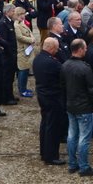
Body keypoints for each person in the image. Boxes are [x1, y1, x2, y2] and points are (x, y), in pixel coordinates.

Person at [61, 39, 93, 177]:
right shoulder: (85, 68)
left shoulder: (65, 65)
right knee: (84, 138)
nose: (86, 50)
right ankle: (84, 166)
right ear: (80, 49)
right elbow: (92, 89)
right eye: (85, 48)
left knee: (72, 136)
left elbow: (63, 86)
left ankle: (72, 164)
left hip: (71, 105)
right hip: (83, 107)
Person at [33, 37, 68, 166]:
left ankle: (44, 151)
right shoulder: (52, 63)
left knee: (45, 124)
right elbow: (63, 73)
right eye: (56, 48)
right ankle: (51, 155)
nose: (58, 50)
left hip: (43, 96)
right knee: (52, 127)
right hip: (53, 97)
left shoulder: (38, 59)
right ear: (52, 48)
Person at [0, 5, 20, 105]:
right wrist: (10, 53)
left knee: (11, 77)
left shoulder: (9, 22)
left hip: (12, 53)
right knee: (7, 77)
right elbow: (4, 41)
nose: (14, 13)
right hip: (7, 55)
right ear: (7, 12)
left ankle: (10, 95)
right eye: (13, 11)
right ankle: (6, 98)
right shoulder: (3, 23)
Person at [13, 7, 37, 98]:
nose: (24, 16)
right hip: (22, 50)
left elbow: (29, 31)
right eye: (22, 14)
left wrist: (32, 38)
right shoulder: (16, 25)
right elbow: (19, 37)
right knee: (23, 70)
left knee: (26, 69)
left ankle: (24, 88)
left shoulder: (21, 23)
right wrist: (31, 40)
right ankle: (22, 90)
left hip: (28, 48)